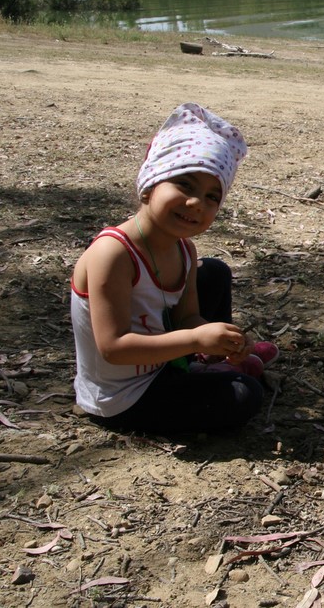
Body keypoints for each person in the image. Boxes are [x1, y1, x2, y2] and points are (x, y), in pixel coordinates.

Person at [71, 103, 279, 435]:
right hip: (123, 397)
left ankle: (211, 363)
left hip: (164, 362)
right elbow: (113, 348)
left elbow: (187, 317)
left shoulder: (184, 249)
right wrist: (196, 338)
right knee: (244, 395)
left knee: (214, 272)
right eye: (184, 185)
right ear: (150, 184)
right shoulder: (113, 254)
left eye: (212, 197)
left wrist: (219, 339)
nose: (197, 203)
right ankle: (212, 372)